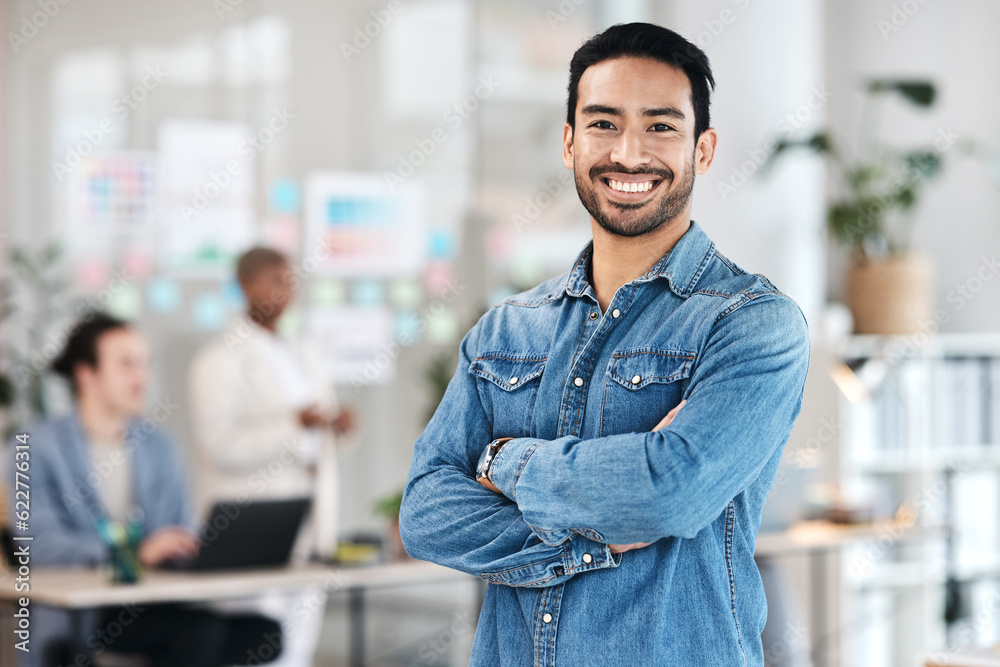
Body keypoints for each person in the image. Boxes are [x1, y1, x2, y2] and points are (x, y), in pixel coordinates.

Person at [399, 22, 811, 666]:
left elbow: (669, 490)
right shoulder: (506, 330)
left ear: (702, 150)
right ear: (569, 142)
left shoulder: (753, 324)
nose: (629, 152)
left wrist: (505, 462)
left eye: (661, 126)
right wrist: (591, 537)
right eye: (603, 123)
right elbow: (426, 512)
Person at [6, 312, 282, 667]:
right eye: (126, 365)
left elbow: (181, 529)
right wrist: (134, 551)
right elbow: (38, 547)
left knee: (264, 634)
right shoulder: (35, 446)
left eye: (144, 365)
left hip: (154, 600)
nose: (142, 378)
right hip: (90, 611)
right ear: (86, 375)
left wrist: (195, 547)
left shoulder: (160, 446)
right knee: (200, 634)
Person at [189, 246, 356, 667]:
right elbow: (220, 445)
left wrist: (334, 427)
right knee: (256, 646)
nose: (287, 291)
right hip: (253, 527)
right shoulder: (218, 361)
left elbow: (312, 431)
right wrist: (292, 425)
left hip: (309, 525)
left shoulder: (303, 353)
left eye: (291, 280)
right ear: (246, 285)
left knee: (299, 648)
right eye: (276, 280)